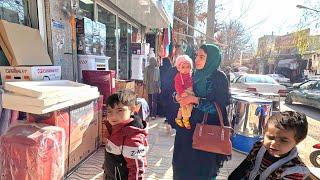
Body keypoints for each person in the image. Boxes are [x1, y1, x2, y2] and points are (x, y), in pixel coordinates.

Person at [173, 44, 230, 179]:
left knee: (202, 171)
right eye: (197, 56)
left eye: (202, 57)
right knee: (182, 168)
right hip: (187, 131)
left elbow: (219, 106)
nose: (197, 60)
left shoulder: (219, 77)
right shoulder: (194, 74)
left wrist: (195, 100)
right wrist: (176, 97)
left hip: (207, 132)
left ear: (211, 59)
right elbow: (180, 91)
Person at [228, 111, 310, 180]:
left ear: (297, 141)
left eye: (283, 140)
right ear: (264, 133)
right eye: (270, 137)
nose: (274, 143)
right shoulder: (258, 148)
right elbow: (243, 167)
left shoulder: (294, 170)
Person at [103, 90, 148, 180]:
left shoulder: (132, 138)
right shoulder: (114, 128)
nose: (113, 116)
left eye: (119, 110)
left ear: (132, 109)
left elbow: (137, 168)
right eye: (109, 111)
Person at [174, 55, 194, 129]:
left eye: (188, 67)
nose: (185, 69)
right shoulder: (178, 76)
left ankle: (179, 118)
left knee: (185, 107)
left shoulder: (190, 75)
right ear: (179, 68)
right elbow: (177, 86)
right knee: (186, 106)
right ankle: (185, 119)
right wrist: (181, 92)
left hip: (190, 92)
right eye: (183, 67)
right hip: (184, 93)